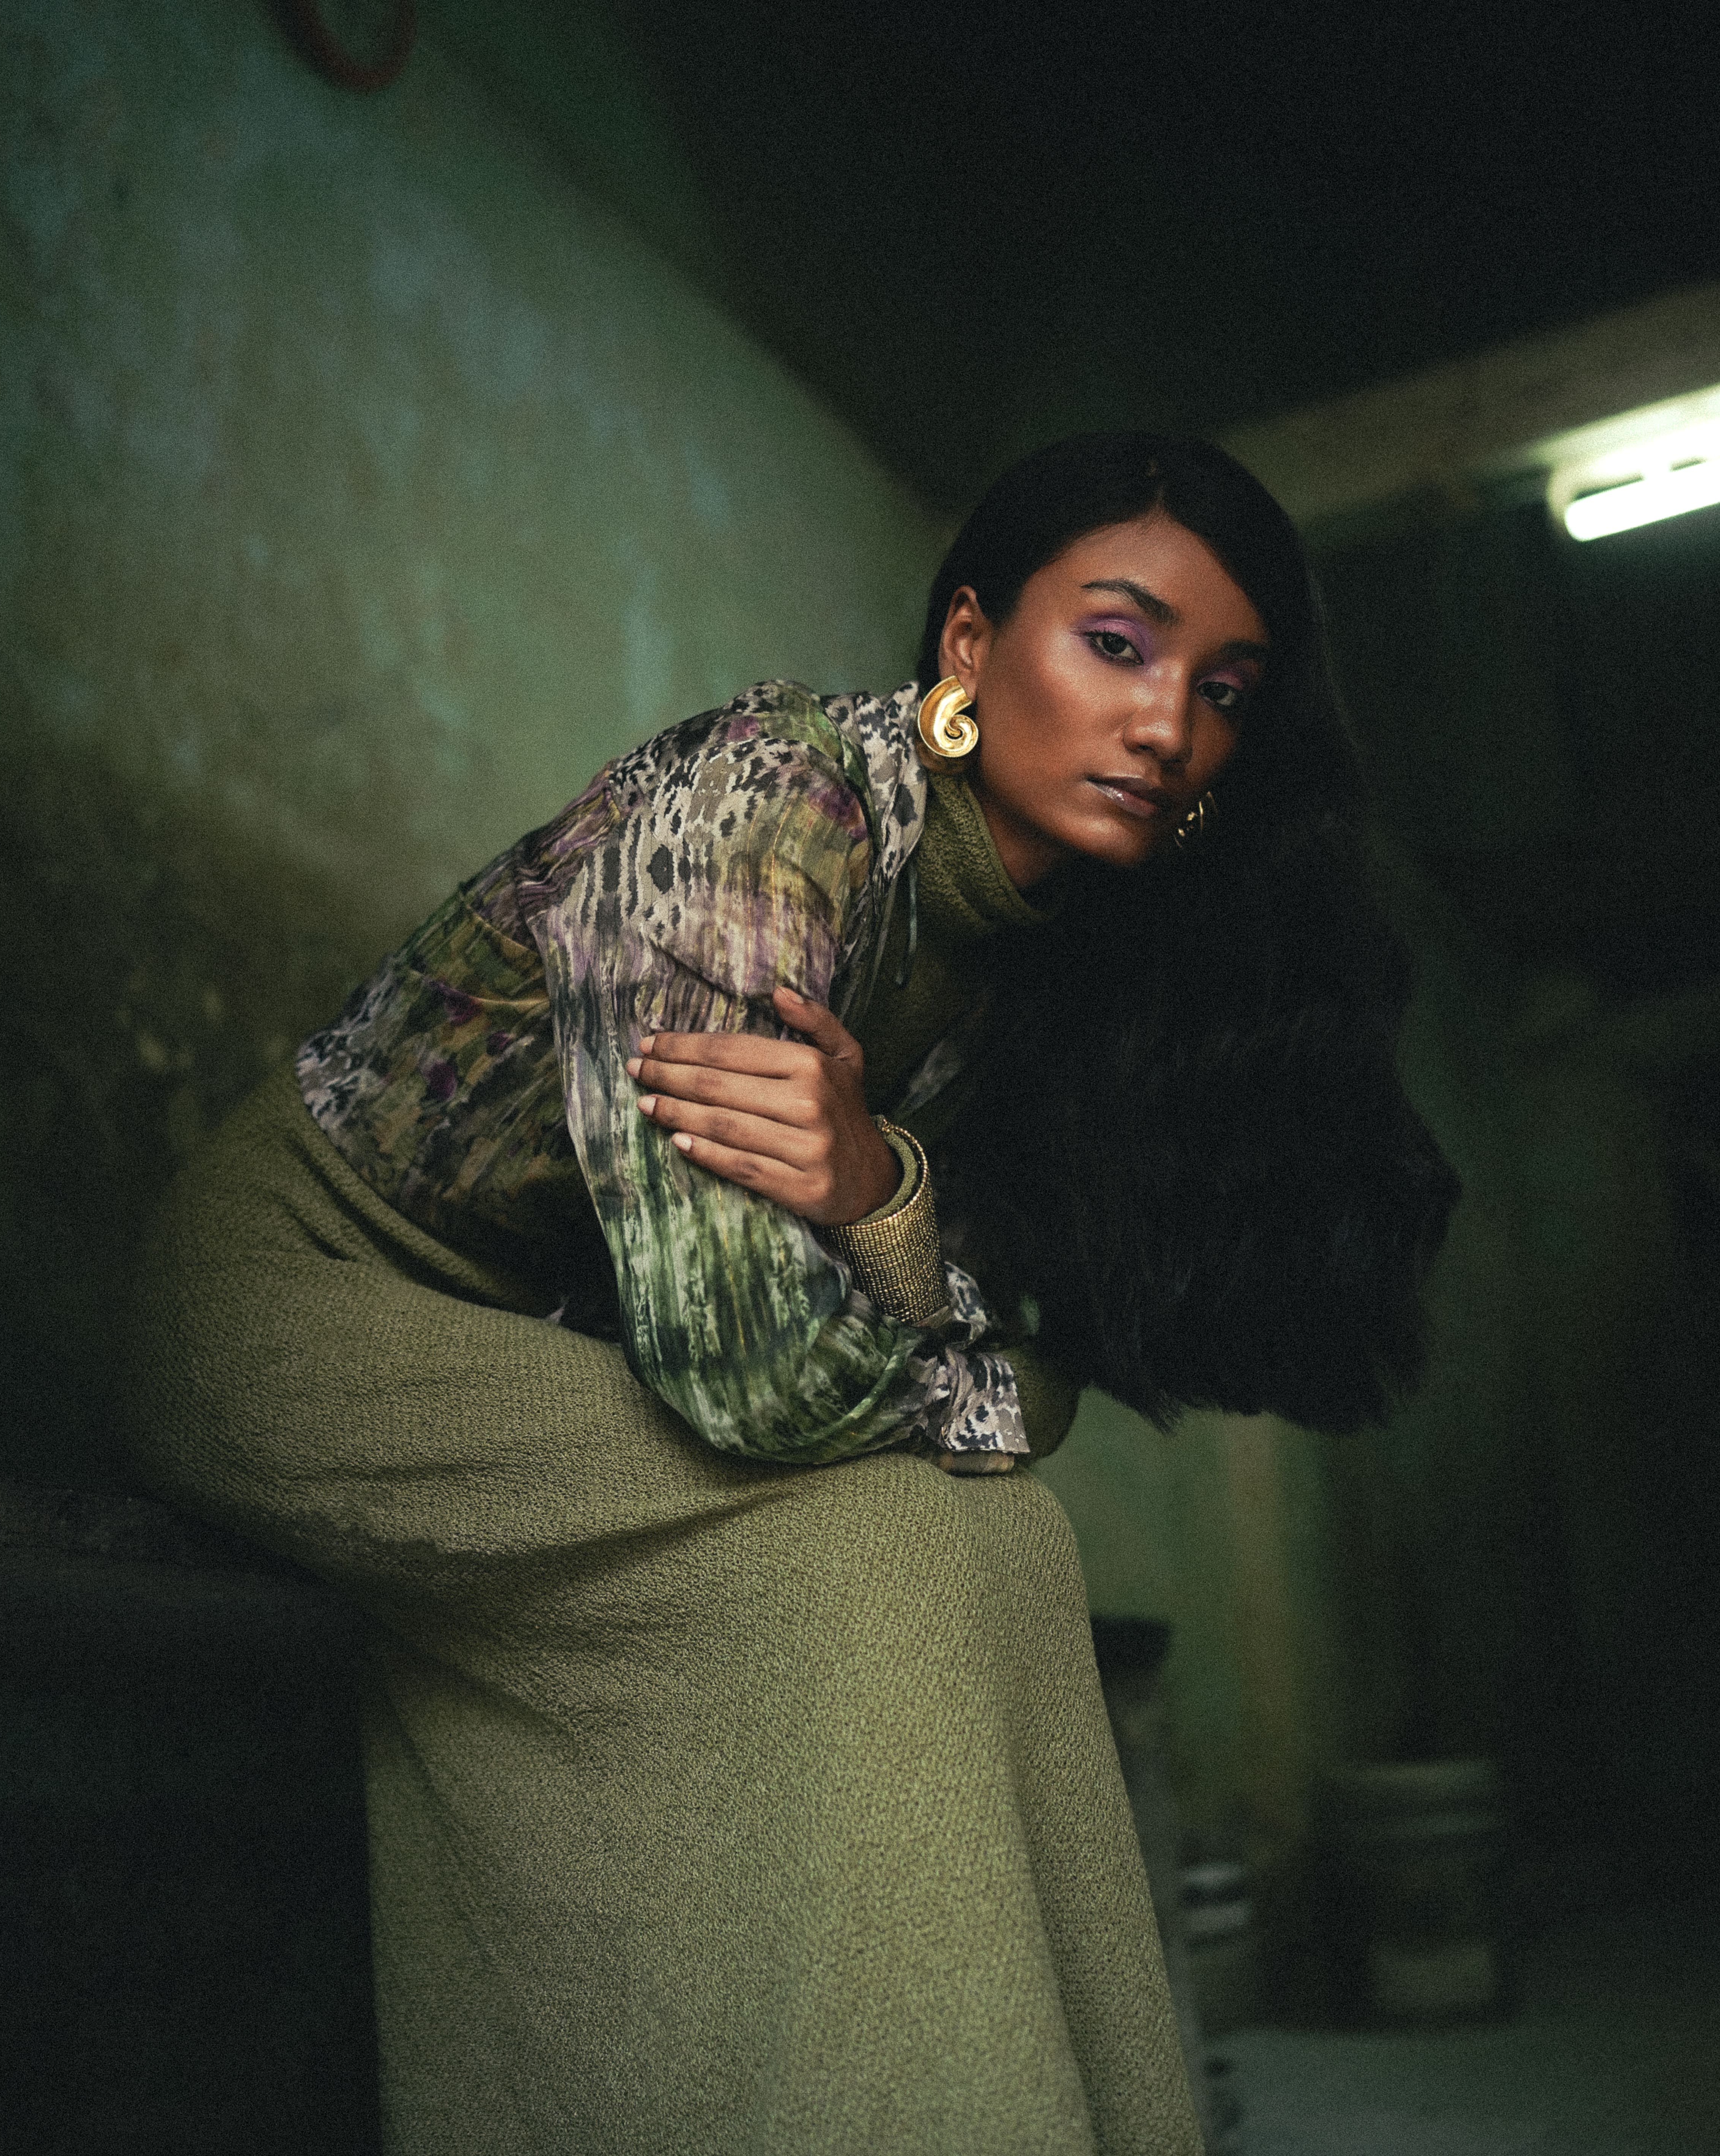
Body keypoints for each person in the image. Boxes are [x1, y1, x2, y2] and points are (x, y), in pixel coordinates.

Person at [125, 433, 1456, 2155]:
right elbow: (755, 1363)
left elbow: (1002, 1333)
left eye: (1223, 688)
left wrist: (887, 1193)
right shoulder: (771, 801)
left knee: (1012, 1544)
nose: (1165, 723)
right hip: (309, 1303)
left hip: (551, 1349)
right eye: (1116, 643)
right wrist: (991, 1388)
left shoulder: (1052, 967)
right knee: (887, 1537)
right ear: (972, 643)